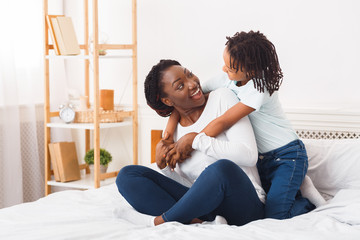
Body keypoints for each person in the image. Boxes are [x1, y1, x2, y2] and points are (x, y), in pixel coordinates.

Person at [162, 31, 325, 220]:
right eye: (225, 63)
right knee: (269, 203)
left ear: (252, 71)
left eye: (230, 67)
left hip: (287, 156)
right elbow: (189, 101)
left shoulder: (260, 87)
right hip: (262, 160)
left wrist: (194, 140)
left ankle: (306, 202)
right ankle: (294, 187)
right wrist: (169, 130)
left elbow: (225, 121)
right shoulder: (228, 78)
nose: (224, 69)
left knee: (274, 215)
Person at [116, 59, 265, 226]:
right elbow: (189, 186)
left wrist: (196, 140)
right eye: (180, 86)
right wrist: (164, 166)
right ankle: (196, 221)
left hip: (243, 204)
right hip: (205, 209)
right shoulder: (174, 132)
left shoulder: (222, 97)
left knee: (221, 169)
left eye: (189, 74)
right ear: (168, 101)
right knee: (127, 175)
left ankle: (160, 221)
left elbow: (249, 155)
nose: (192, 84)